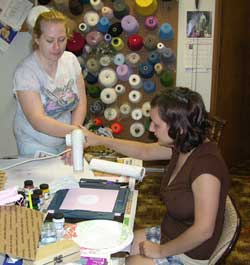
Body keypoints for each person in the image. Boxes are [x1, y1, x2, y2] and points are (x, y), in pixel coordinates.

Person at [82, 87, 229, 265]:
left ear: (179, 128)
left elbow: (204, 231)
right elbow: (143, 151)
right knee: (115, 246)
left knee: (130, 262)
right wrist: (100, 140)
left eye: (156, 124)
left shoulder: (206, 166)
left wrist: (161, 251)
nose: (151, 129)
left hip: (191, 252)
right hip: (172, 233)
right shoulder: (183, 145)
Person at [13, 10, 87, 162]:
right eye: (49, 40)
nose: (57, 47)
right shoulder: (26, 72)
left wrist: (73, 141)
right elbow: (38, 120)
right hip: (35, 145)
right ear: (37, 39)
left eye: (61, 39)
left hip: (65, 139)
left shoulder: (71, 60)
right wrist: (75, 133)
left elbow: (81, 103)